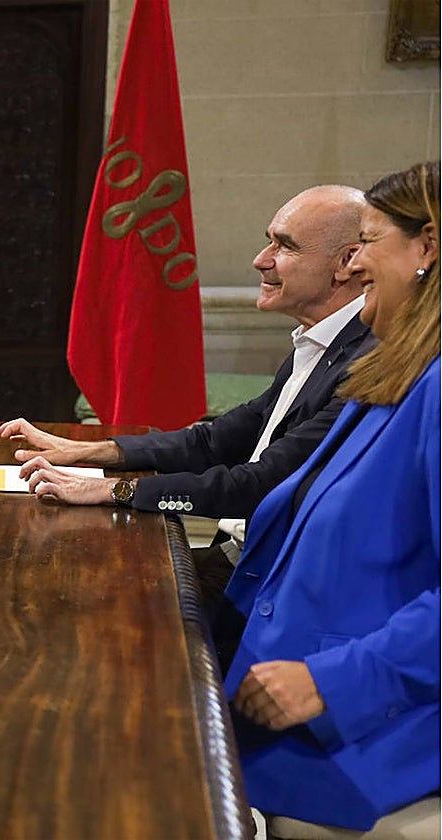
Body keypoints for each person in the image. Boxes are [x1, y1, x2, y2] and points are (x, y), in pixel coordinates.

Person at [0, 185, 373, 611]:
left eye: (285, 246)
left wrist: (113, 490)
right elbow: (214, 441)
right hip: (240, 560)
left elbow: (261, 484)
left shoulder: (366, 361)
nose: (261, 259)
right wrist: (89, 451)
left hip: (274, 586)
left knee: (75, 600)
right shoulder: (320, 340)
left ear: (347, 261)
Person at [220, 162, 439, 831]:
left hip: (354, 739)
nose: (355, 263)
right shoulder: (394, 370)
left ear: (427, 248)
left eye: (366, 242)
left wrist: (330, 682)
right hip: (280, 720)